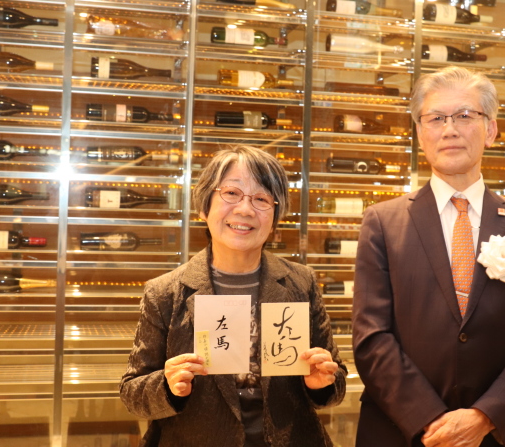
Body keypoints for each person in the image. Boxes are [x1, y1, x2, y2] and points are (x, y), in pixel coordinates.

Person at [352, 66, 505, 447]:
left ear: (491, 130)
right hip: (401, 432)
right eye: (435, 118)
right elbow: (371, 338)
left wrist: (484, 418)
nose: (449, 129)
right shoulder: (382, 223)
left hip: (494, 436)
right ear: (420, 133)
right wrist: (431, 421)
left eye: (465, 115)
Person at [120, 145, 346, 447]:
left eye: (261, 199)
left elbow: (336, 378)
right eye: (231, 193)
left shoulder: (301, 283)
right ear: (204, 207)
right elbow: (132, 392)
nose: (245, 209)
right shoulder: (165, 293)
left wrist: (322, 384)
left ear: (275, 217)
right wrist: (167, 385)